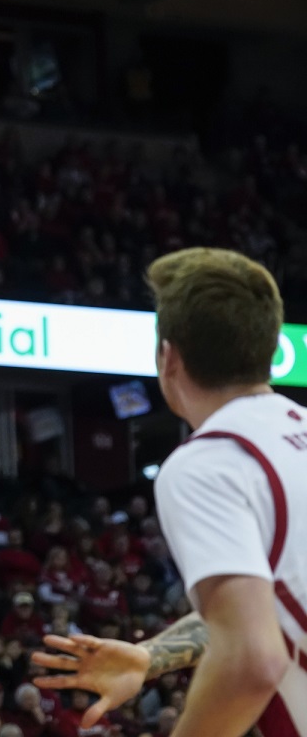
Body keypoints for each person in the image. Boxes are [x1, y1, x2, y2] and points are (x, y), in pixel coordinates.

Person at [33, 247, 305, 736]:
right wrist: (150, 655)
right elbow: (269, 610)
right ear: (271, 347)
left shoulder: (210, 461)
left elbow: (252, 658)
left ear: (168, 356)